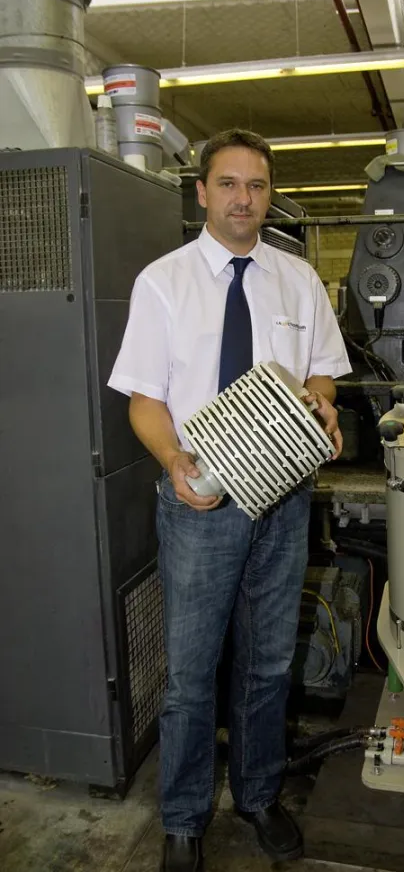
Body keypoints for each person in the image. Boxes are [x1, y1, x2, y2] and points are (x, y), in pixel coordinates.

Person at [108, 128, 352, 872]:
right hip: (202, 497)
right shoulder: (164, 282)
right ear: (203, 191)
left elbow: (324, 375)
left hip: (282, 494)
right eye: (229, 184)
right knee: (190, 670)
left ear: (267, 193)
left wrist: (322, 398)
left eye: (257, 185)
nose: (244, 198)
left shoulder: (298, 280)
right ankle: (182, 820)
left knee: (269, 662)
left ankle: (256, 796)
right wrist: (175, 459)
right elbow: (144, 400)